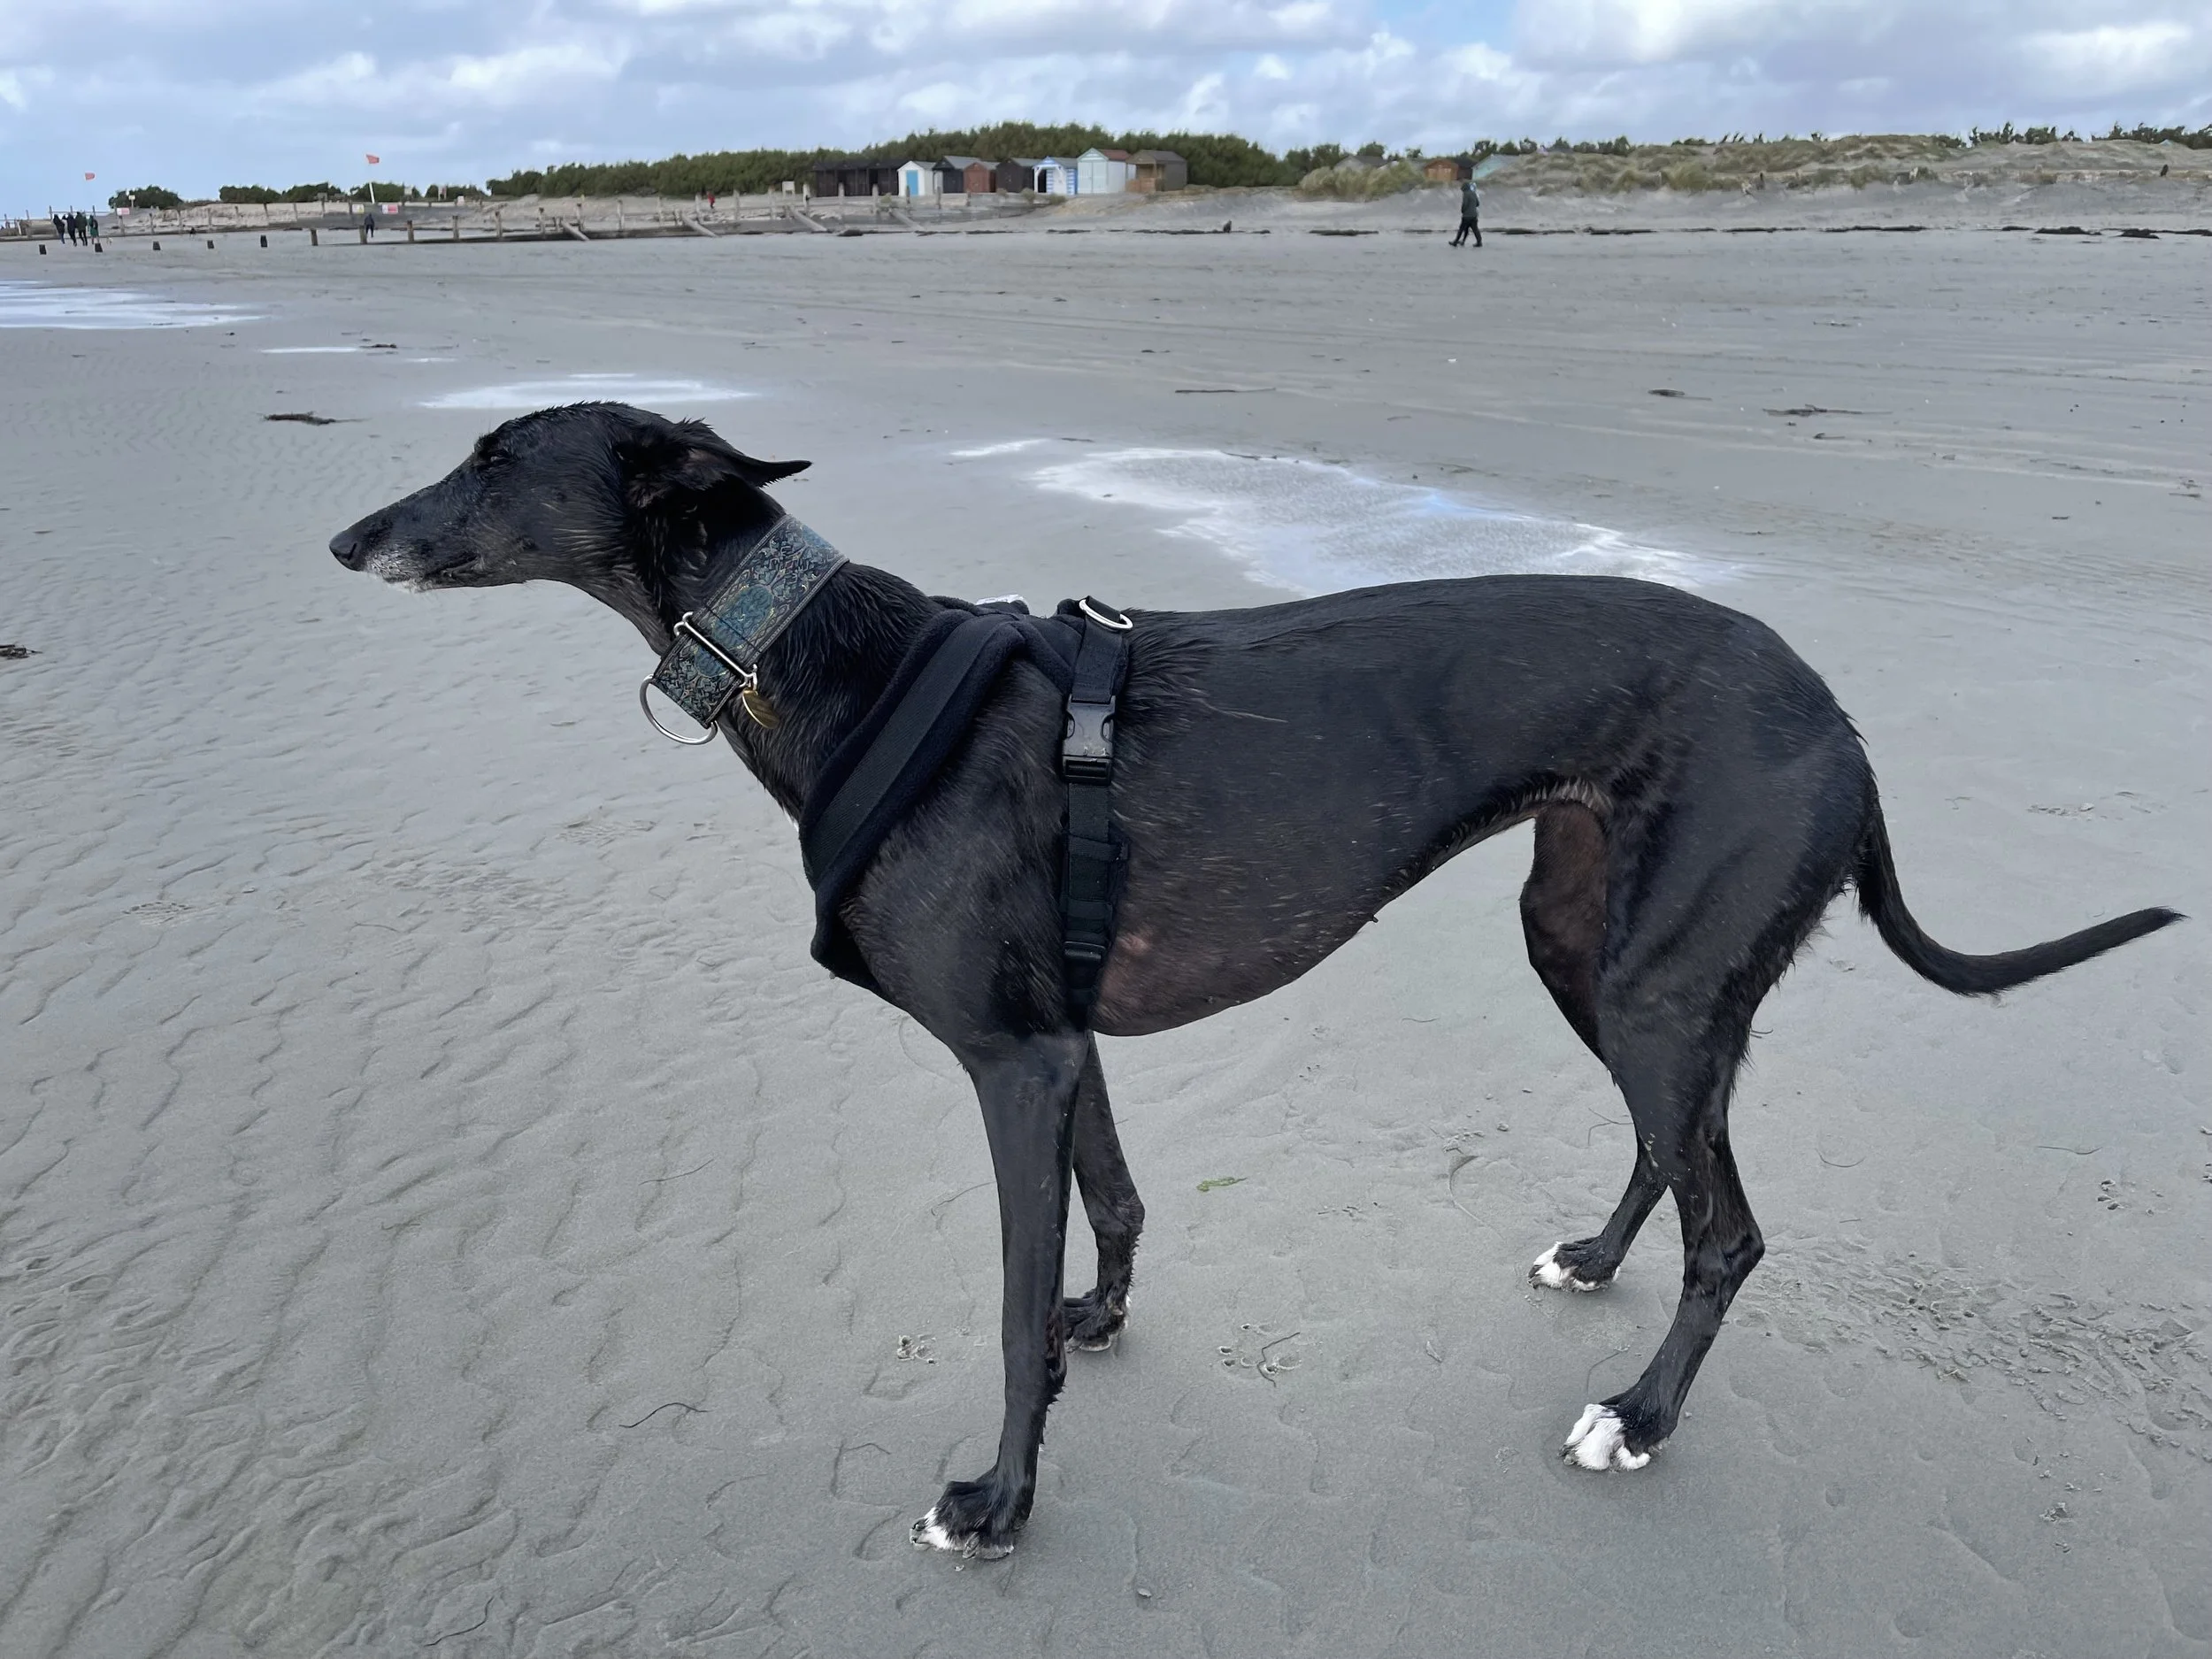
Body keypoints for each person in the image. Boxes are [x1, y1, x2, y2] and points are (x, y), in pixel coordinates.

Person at [1451, 176, 1481, 248]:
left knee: (1461, 229)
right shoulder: (1473, 193)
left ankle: (1455, 242)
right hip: (1474, 215)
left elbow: (1465, 204)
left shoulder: (1466, 194)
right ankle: (1479, 242)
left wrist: (1463, 210)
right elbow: (1478, 203)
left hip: (1467, 215)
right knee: (1475, 229)